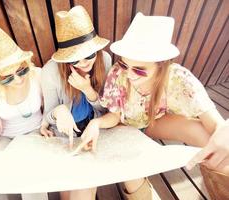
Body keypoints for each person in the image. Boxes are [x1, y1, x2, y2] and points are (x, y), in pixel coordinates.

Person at [73, 12, 229, 199]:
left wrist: (224, 134)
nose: (129, 74)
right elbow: (115, 116)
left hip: (155, 122)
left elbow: (215, 123)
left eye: (139, 70)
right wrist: (96, 123)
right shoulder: (117, 73)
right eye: (124, 65)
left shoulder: (179, 78)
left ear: (161, 66)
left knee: (209, 140)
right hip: (124, 124)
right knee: (131, 169)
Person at [40, 6, 111, 200]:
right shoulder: (51, 72)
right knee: (68, 186)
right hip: (66, 134)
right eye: (74, 59)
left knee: (86, 183)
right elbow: (48, 116)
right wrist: (59, 111)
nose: (84, 63)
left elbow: (107, 109)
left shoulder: (104, 59)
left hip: (97, 127)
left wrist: (88, 90)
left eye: (89, 54)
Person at [0, 25, 48, 200]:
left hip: (37, 132)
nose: (19, 79)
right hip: (5, 137)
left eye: (22, 70)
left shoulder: (38, 75)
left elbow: (52, 107)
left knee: (31, 178)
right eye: (7, 77)